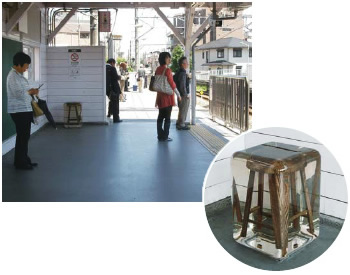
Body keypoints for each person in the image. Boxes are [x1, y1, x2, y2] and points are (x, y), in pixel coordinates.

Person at [7, 52, 39, 170]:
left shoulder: (19, 75)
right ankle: (21, 162)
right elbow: (18, 94)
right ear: (19, 64)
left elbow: (24, 91)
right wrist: (31, 92)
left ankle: (24, 159)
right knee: (22, 136)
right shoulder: (12, 76)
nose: (27, 68)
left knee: (24, 137)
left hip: (24, 110)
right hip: (18, 111)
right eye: (26, 65)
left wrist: (32, 91)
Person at [155, 52, 181, 142]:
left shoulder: (157, 69)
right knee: (167, 118)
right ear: (163, 59)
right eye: (168, 58)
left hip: (160, 96)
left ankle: (160, 135)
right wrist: (178, 94)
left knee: (160, 117)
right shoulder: (167, 70)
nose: (169, 59)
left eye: (170, 58)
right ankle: (165, 136)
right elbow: (172, 83)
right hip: (167, 97)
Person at [174, 56, 191, 130]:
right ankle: (181, 124)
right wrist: (185, 94)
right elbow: (182, 85)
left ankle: (179, 122)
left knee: (181, 109)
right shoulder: (183, 73)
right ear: (183, 64)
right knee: (184, 109)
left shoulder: (178, 72)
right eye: (187, 63)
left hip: (179, 94)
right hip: (183, 95)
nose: (188, 64)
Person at [106, 58, 123, 123]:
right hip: (114, 89)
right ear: (112, 62)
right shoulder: (112, 68)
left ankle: (109, 114)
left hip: (107, 89)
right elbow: (116, 77)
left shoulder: (104, 68)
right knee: (115, 103)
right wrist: (119, 77)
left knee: (111, 101)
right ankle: (116, 118)